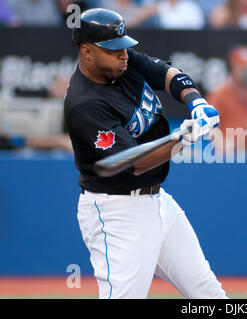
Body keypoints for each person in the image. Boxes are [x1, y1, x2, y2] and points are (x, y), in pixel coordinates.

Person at [65, 8, 225, 299]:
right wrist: (186, 137)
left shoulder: (123, 63)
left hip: (157, 201)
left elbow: (167, 74)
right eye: (113, 50)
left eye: (124, 47)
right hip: (117, 212)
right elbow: (136, 163)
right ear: (87, 52)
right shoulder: (85, 105)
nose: (123, 55)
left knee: (209, 294)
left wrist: (196, 102)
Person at [206, 45, 247, 152]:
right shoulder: (219, 93)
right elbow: (210, 127)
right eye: (243, 68)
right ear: (233, 67)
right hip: (228, 155)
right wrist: (224, 145)